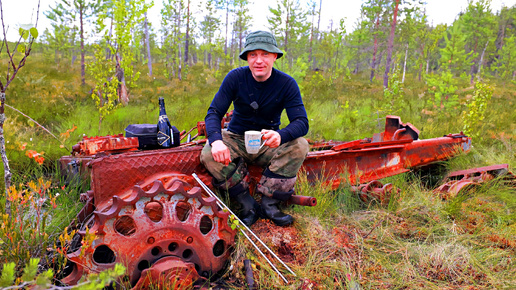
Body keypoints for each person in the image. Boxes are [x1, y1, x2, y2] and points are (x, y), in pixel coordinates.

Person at [200, 30, 309, 227]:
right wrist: (216, 142)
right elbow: (214, 112)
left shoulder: (287, 84)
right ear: (247, 58)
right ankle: (247, 204)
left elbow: (301, 122)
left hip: (267, 141)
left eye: (265, 54)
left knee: (300, 145)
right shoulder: (235, 78)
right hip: (236, 137)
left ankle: (270, 203)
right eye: (253, 55)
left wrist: (280, 135)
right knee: (208, 153)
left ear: (274, 56)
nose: (259, 60)